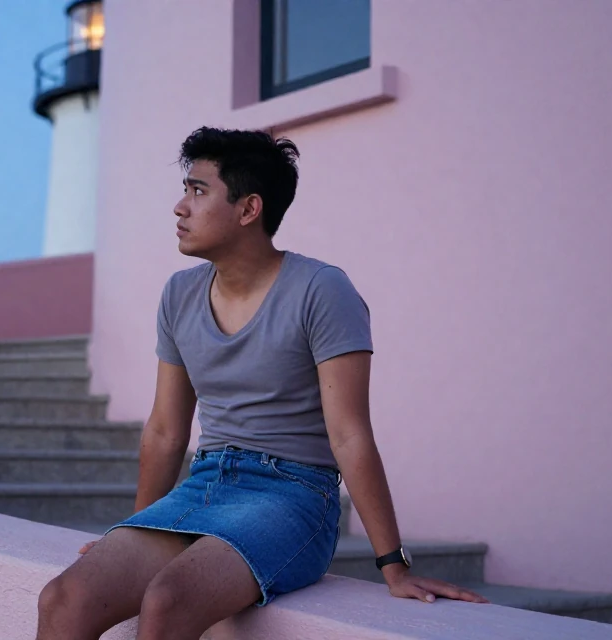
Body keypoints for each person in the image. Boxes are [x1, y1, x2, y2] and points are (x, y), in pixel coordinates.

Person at [35, 127, 489, 640]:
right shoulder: (179, 294)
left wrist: (394, 564)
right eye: (185, 189)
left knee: (167, 602)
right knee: (62, 599)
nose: (180, 207)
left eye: (198, 191)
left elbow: (349, 436)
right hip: (207, 483)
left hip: (294, 495)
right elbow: (165, 430)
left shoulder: (322, 290)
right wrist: (142, 532)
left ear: (249, 209)